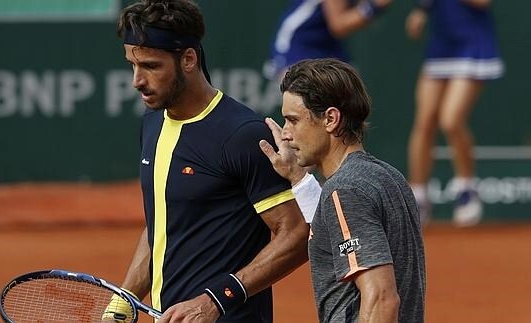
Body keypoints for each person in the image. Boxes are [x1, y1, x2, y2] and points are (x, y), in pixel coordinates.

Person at [103, 1, 310, 322]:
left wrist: (215, 300)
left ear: (188, 59)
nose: (137, 80)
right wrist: (125, 300)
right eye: (132, 65)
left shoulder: (241, 134)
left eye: (151, 66)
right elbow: (163, 223)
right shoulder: (152, 123)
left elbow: (296, 235)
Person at [259, 58, 426, 322]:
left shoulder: (344, 190)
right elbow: (333, 234)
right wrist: (297, 176)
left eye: (293, 120)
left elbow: (381, 299)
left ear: (330, 119)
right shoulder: (388, 177)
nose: (286, 134)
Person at [405, 0, 504, 226]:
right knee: (424, 122)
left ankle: (466, 189)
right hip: (442, 43)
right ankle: (419, 196)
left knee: (450, 121)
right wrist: (421, 10)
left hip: (473, 43)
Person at [263, 0, 392, 80]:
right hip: (298, 47)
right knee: (310, 112)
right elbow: (338, 25)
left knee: (348, 105)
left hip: (326, 47)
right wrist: (374, 7)